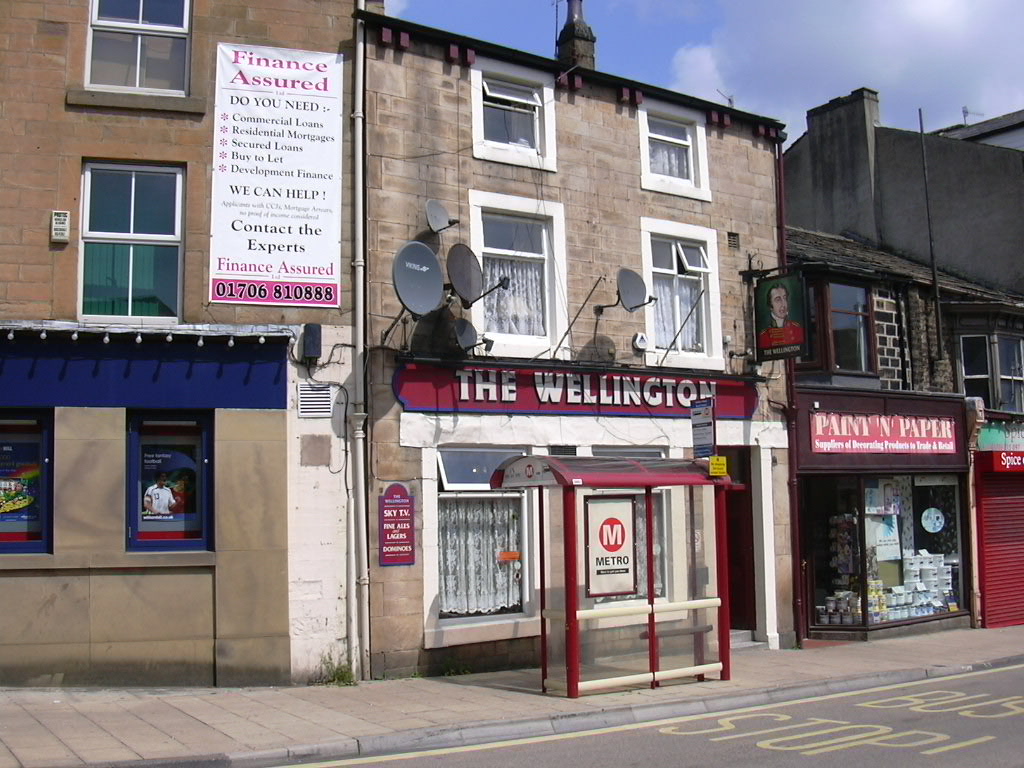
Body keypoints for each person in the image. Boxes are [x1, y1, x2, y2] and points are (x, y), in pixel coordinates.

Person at [758, 281, 803, 348]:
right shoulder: (763, 336)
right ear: (770, 305)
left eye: (784, 298)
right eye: (778, 299)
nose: (783, 304)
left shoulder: (797, 329)